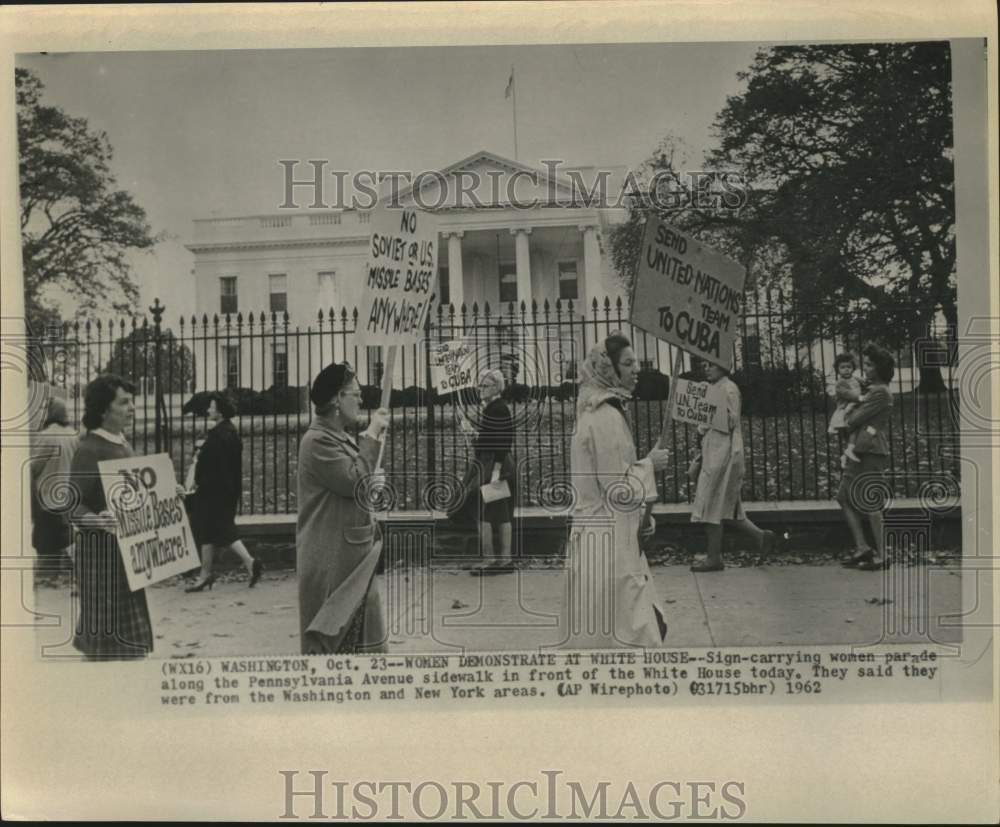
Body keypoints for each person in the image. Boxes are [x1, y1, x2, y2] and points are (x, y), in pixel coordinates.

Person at [563, 333, 672, 648]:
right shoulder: (605, 416)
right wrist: (650, 464)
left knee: (613, 621)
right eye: (628, 363)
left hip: (604, 533)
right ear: (607, 369)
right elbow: (617, 486)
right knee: (629, 628)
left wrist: (641, 517)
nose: (636, 369)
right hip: (609, 540)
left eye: (636, 362)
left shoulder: (598, 411)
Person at [296, 363, 391, 654]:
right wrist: (372, 435)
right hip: (332, 562)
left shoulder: (337, 438)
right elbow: (354, 483)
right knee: (339, 650)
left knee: (362, 647)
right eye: (356, 393)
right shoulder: (317, 441)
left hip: (349, 557)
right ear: (338, 399)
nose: (361, 400)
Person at [69, 375, 153, 660]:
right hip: (100, 556)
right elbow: (71, 504)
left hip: (125, 553)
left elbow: (134, 491)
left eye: (133, 402)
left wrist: (166, 493)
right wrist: (94, 520)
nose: (132, 409)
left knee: (126, 641)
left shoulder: (122, 444)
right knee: (105, 645)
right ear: (104, 409)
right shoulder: (89, 449)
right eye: (124, 402)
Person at [689, 361, 776, 572]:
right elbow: (708, 419)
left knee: (711, 502)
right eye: (706, 366)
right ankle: (761, 537)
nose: (706, 368)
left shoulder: (728, 389)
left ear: (723, 368)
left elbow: (729, 421)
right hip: (714, 448)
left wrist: (708, 403)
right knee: (727, 506)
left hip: (723, 451)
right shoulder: (717, 388)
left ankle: (714, 557)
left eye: (711, 365)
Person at [182, 393, 262, 592]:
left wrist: (199, 465)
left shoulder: (218, 435)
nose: (208, 410)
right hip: (227, 490)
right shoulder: (231, 432)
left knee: (221, 530)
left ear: (219, 411)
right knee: (208, 530)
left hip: (213, 492)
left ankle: (249, 562)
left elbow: (210, 466)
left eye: (211, 407)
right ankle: (205, 575)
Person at [839, 344, 895, 571]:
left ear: (879, 369)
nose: (866, 368)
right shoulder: (872, 391)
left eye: (870, 365)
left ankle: (882, 555)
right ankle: (862, 547)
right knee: (843, 496)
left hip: (871, 450)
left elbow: (851, 420)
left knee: (871, 502)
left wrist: (851, 412)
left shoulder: (880, 392)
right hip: (860, 450)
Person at [456, 369, 516, 576]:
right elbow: (489, 440)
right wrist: (472, 433)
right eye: (479, 385)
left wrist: (496, 471)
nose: (480, 389)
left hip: (495, 465)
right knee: (499, 513)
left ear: (497, 387)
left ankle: (492, 560)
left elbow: (502, 441)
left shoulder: (496, 409)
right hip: (494, 464)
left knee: (486, 513)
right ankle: (504, 559)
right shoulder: (494, 408)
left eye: (485, 385)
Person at [30, 396, 79, 570]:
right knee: (64, 535)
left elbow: (34, 467)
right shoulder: (73, 434)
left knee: (45, 541)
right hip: (69, 495)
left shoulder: (47, 436)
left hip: (48, 497)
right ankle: (64, 568)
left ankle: (48, 574)